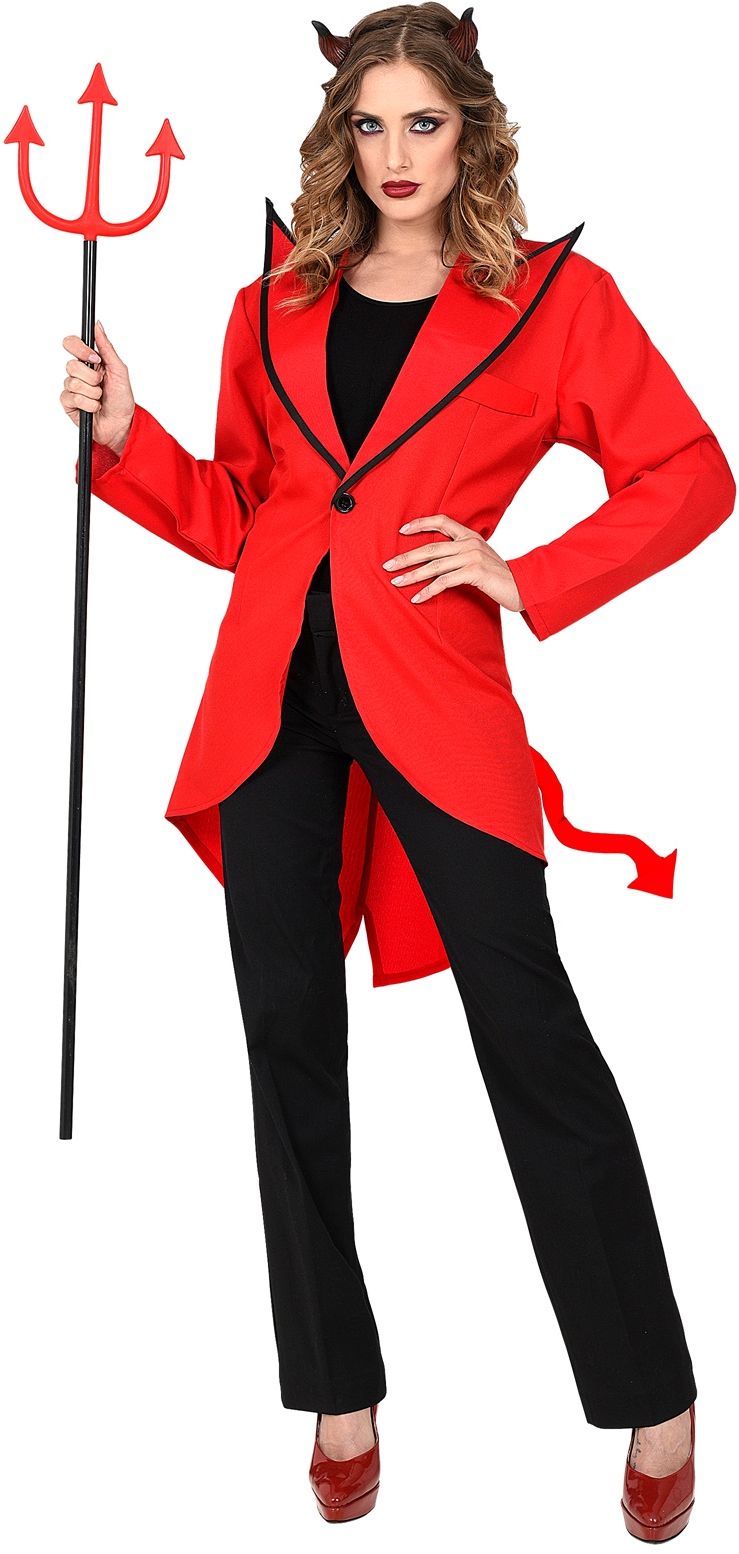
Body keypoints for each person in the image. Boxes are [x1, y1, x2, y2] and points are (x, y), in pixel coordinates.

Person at [61, 4, 733, 1538]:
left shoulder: (550, 303)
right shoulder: (273, 303)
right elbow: (245, 514)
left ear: (470, 129)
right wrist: (127, 434)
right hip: (270, 705)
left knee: (533, 1035)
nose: (395, 152)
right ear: (339, 135)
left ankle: (655, 1391)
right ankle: (339, 1389)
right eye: (369, 123)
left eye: (423, 121)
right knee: (286, 1034)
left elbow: (693, 474)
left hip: (436, 692)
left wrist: (528, 574)